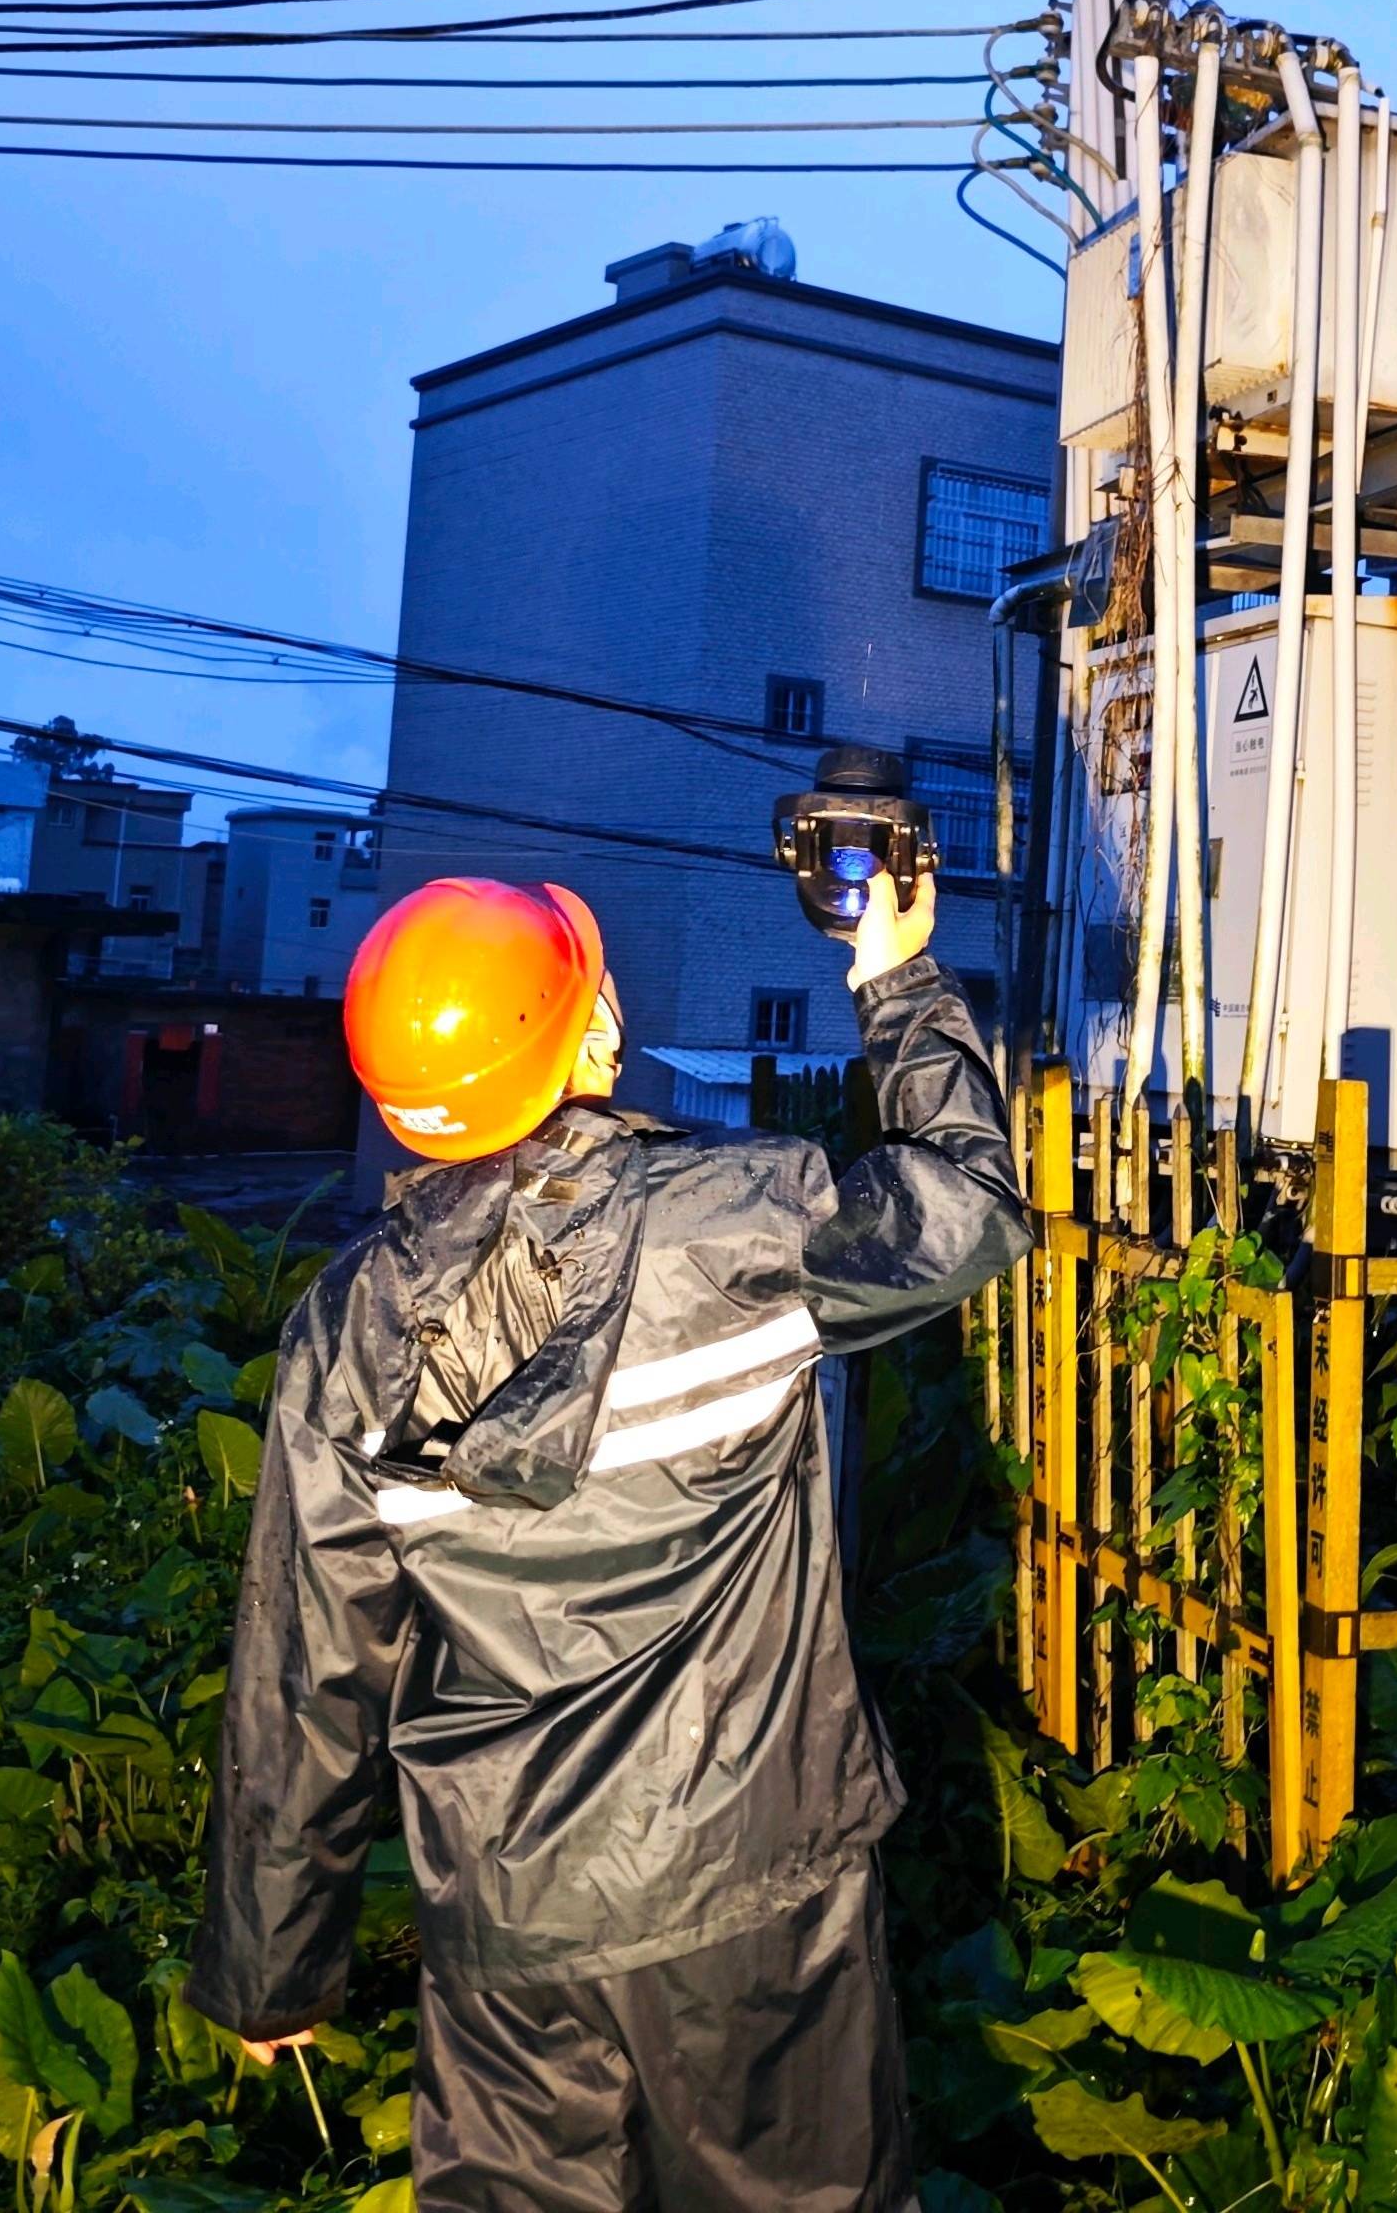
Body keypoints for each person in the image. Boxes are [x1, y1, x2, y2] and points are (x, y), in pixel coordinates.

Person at [185, 854, 1024, 2213]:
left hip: (505, 1916)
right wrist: (899, 979)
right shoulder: (741, 1224)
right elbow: (967, 1212)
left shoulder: (346, 1334)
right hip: (756, 1885)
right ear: (595, 1039)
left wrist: (271, 1966)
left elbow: (307, 1674)